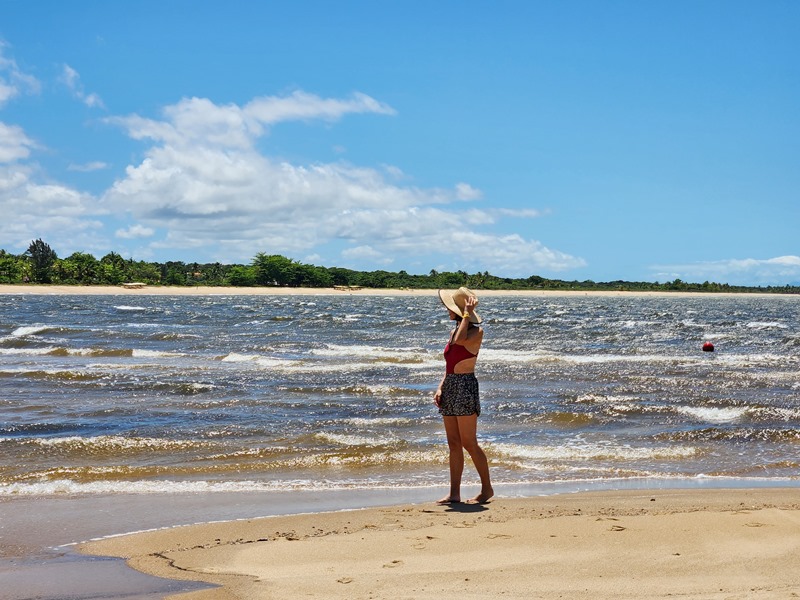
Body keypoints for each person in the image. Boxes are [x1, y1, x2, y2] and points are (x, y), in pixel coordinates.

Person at [433, 287, 494, 504]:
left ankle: (487, 489)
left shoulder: (476, 332)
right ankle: (455, 493)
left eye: (450, 308)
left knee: (469, 442)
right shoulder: (455, 330)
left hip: (465, 387)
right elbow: (449, 365)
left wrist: (467, 313)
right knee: (453, 442)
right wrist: (441, 386)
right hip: (450, 385)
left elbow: (460, 342)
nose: (446, 311)